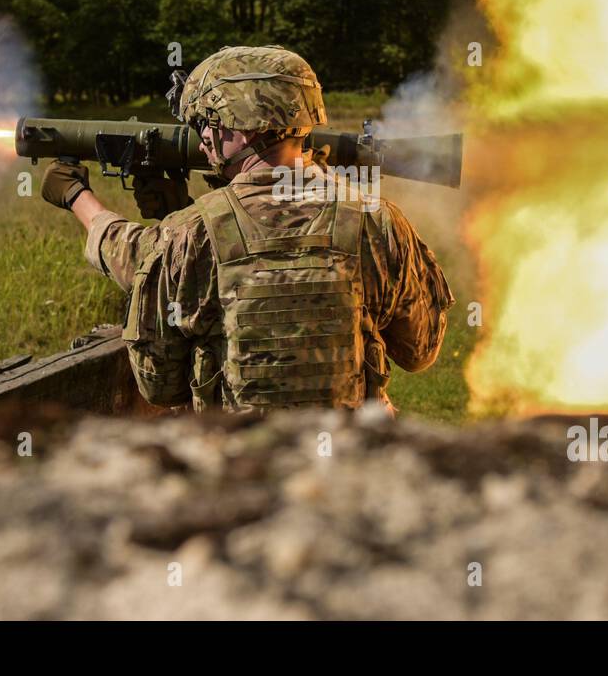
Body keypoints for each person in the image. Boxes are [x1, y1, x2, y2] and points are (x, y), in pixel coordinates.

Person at [40, 45, 453, 413]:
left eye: (207, 122)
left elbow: (159, 386)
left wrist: (82, 198)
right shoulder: (378, 221)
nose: (202, 139)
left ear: (237, 127)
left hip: (243, 472)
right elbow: (420, 351)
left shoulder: (191, 233)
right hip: (353, 471)